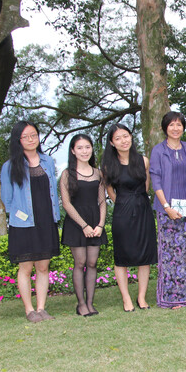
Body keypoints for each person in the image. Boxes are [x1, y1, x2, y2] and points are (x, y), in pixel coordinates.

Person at [0, 121, 60, 322]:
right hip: (23, 224)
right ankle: (29, 310)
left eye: (34, 135)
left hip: (46, 220)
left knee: (43, 267)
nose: (31, 139)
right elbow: (7, 200)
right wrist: (20, 215)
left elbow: (53, 191)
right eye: (26, 136)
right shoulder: (9, 166)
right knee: (25, 268)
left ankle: (42, 308)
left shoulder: (48, 161)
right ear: (18, 140)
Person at [101, 124, 157, 311]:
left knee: (145, 256)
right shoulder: (109, 166)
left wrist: (137, 202)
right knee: (122, 257)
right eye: (118, 138)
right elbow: (110, 191)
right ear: (112, 142)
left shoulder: (143, 161)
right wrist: (124, 203)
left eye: (126, 136)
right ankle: (126, 299)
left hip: (143, 210)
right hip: (122, 214)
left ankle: (141, 297)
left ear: (131, 137)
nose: (123, 140)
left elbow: (146, 185)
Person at [150, 112, 186, 308]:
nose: (175, 128)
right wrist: (166, 207)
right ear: (165, 128)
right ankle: (170, 299)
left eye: (179, 124)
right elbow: (156, 180)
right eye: (171, 125)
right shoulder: (158, 150)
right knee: (170, 254)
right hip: (167, 208)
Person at [59, 134, 107, 316]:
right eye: (80, 148)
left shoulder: (98, 173)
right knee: (80, 263)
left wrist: (100, 225)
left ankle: (90, 302)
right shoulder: (66, 174)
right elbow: (66, 203)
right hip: (76, 223)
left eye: (87, 147)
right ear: (73, 151)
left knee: (92, 263)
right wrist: (84, 226)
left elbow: (102, 201)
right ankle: (80, 304)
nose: (84, 151)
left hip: (95, 222)